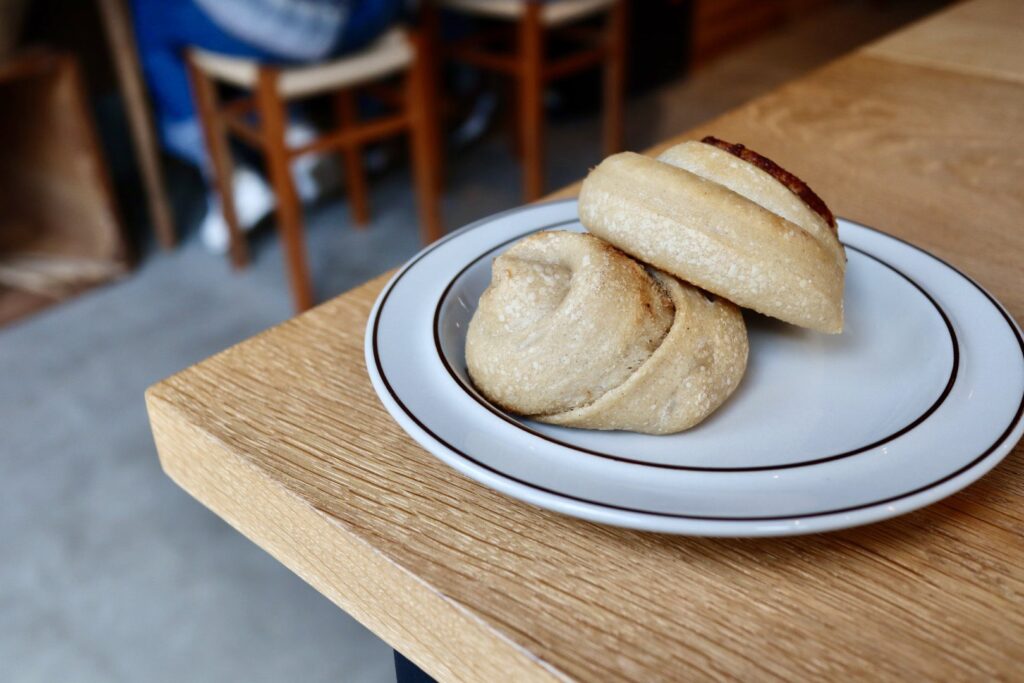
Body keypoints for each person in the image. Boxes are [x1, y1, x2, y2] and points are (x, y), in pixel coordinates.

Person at [132, 0, 403, 252]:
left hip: (329, 23)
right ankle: (290, 135)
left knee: (153, 18)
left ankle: (229, 172)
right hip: (352, 15)